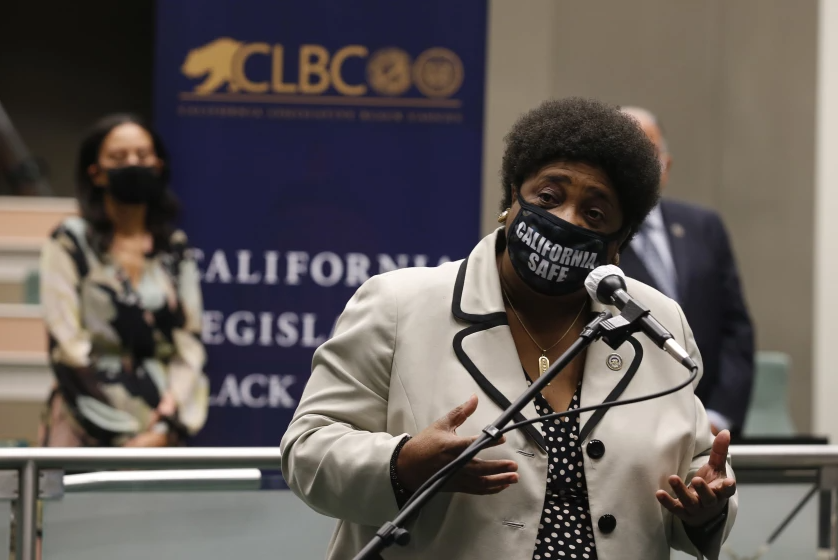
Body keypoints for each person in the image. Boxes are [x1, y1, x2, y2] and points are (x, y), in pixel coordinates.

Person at [281, 98, 737, 560]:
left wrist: (706, 509)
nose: (565, 219)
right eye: (549, 197)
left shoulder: (655, 321)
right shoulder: (398, 304)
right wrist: (402, 464)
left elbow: (698, 467)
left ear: (616, 246)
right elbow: (307, 451)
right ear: (511, 199)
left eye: (595, 214)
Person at [37, 113, 209, 447]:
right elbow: (66, 342)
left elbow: (188, 343)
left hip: (160, 428)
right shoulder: (70, 241)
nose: (133, 163)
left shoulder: (174, 248)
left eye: (142, 156)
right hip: (83, 419)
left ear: (158, 165)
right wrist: (121, 434)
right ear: (96, 172)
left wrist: (165, 424)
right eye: (118, 157)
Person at [618, 107, 755, 437]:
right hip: (629, 427)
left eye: (648, 155)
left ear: (667, 165)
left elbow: (735, 329)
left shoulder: (704, 225)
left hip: (709, 423)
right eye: (625, 156)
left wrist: (718, 417)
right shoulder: (594, 236)